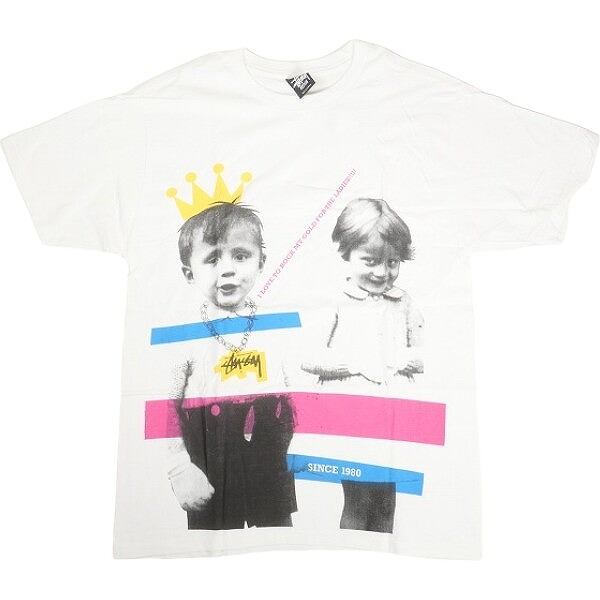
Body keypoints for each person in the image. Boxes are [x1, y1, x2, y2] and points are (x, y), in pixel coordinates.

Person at [166, 201, 298, 530]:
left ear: (261, 261)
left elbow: (297, 395)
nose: (227, 269)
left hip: (270, 463)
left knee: (276, 542)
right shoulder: (184, 336)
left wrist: (304, 444)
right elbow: (165, 407)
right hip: (209, 464)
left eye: (240, 256)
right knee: (212, 543)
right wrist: (179, 468)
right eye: (212, 259)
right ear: (189, 273)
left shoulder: (276, 327)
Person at [300, 197, 424, 533]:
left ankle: (382, 555)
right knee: (358, 498)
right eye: (370, 261)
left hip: (393, 415)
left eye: (392, 262)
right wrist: (356, 363)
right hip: (350, 416)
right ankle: (353, 556)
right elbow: (308, 358)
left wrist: (399, 361)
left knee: (386, 500)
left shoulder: (403, 302)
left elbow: (422, 355)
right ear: (347, 253)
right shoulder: (336, 302)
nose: (382, 272)